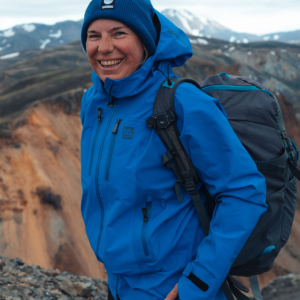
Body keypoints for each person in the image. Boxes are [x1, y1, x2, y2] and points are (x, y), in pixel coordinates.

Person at [80, 1, 267, 299]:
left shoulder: (182, 102)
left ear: (145, 40)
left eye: (118, 33)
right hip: (119, 284)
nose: (104, 47)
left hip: (174, 287)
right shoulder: (93, 102)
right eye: (93, 35)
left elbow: (244, 191)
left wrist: (200, 281)